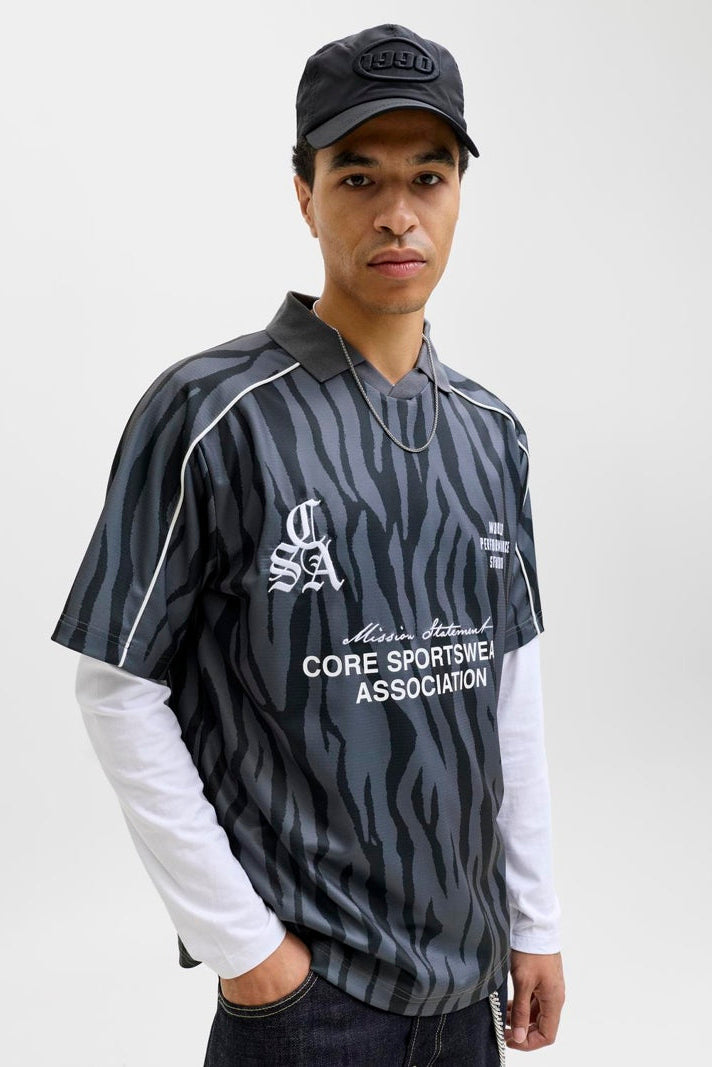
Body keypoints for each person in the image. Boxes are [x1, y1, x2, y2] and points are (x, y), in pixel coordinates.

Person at [52, 22, 565, 1066]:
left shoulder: (492, 430)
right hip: (310, 1001)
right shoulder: (211, 413)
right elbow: (118, 684)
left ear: (459, 194)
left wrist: (535, 919)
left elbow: (509, 682)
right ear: (304, 193)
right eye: (357, 177)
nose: (396, 212)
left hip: (468, 987)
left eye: (427, 177)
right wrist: (249, 951)